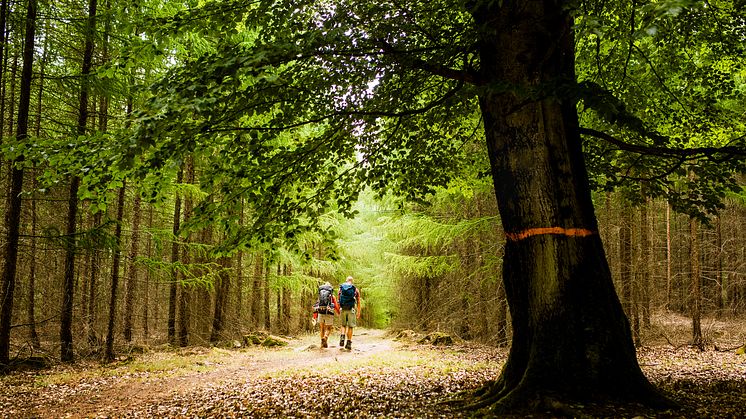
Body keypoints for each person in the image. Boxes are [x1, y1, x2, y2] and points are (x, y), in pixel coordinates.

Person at [337, 276, 361, 350]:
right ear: (352, 281)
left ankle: (342, 336)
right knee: (350, 326)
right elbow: (358, 301)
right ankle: (348, 343)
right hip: (351, 309)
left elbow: (338, 300)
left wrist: (339, 309)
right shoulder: (355, 289)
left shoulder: (341, 288)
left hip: (343, 309)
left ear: (346, 281)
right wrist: (358, 312)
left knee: (343, 325)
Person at [313, 282, 339, 348]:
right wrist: (338, 312)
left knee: (322, 329)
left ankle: (322, 344)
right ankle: (325, 337)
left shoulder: (320, 296)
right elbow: (335, 305)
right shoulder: (332, 296)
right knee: (329, 328)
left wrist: (315, 315)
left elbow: (317, 305)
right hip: (329, 312)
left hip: (321, 311)